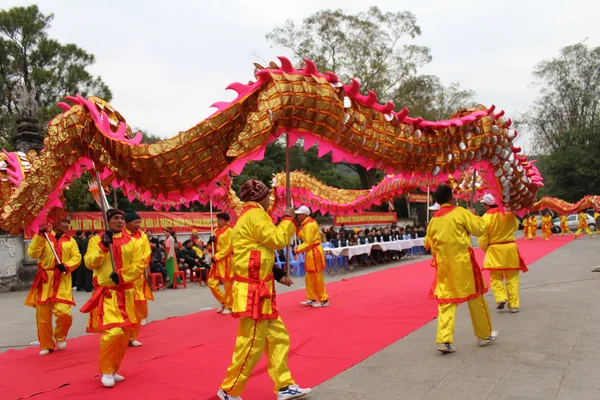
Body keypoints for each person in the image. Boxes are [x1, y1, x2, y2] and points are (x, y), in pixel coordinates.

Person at [217, 179, 311, 400]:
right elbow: (277, 240)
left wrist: (277, 274)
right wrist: (288, 218)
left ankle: (284, 385)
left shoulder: (252, 215)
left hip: (262, 288)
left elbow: (260, 250)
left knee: (278, 337)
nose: (270, 198)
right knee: (251, 343)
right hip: (253, 291)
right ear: (258, 196)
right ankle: (229, 389)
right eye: (267, 194)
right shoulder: (255, 215)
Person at [425, 185, 498, 354]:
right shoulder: (461, 213)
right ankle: (484, 335)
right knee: (475, 299)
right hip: (463, 263)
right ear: (451, 198)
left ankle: (444, 339)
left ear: (436, 200)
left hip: (443, 265)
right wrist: (473, 215)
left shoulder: (433, 221)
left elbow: (429, 244)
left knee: (446, 301)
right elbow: (480, 229)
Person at [80, 209, 145, 388]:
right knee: (113, 332)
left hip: (127, 294)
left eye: (122, 218)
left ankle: (114, 369)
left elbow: (139, 265)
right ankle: (106, 370)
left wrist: (123, 276)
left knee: (124, 337)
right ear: (106, 221)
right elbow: (89, 263)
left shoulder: (133, 242)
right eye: (116, 218)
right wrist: (102, 246)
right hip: (108, 294)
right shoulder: (96, 241)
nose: (120, 221)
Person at [25, 217, 82, 355]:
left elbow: (77, 257)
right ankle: (46, 345)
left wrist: (66, 265)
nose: (67, 225)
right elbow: (33, 253)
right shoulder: (43, 236)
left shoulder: (71, 241)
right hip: (45, 280)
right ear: (55, 223)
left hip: (62, 279)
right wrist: (39, 236)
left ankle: (60, 336)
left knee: (64, 313)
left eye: (68, 222)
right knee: (43, 317)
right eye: (64, 222)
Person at [478, 194, 528, 313]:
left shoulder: (485, 217)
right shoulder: (509, 213)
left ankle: (500, 297)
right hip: (510, 248)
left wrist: (487, 250)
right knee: (512, 278)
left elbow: (482, 238)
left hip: (494, 249)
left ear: (487, 205)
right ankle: (514, 305)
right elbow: (516, 227)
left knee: (495, 277)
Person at [124, 209, 153, 347]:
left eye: (139, 222)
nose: (138, 225)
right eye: (135, 222)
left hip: (139, 276)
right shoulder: (121, 235)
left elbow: (147, 253)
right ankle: (124, 336)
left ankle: (133, 337)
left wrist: (138, 267)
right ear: (127, 223)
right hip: (125, 277)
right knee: (126, 307)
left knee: (138, 306)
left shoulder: (142, 235)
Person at [295, 205, 329, 308]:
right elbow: (305, 235)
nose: (297, 216)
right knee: (309, 276)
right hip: (311, 252)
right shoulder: (307, 223)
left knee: (317, 276)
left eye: (299, 214)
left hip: (314, 252)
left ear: (304, 215)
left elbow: (308, 242)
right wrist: (297, 231)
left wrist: (297, 249)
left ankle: (324, 300)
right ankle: (311, 298)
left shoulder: (309, 225)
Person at [208, 213, 234, 315]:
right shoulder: (214, 231)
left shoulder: (230, 231)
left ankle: (229, 305)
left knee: (227, 285)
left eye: (221, 220)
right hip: (216, 261)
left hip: (226, 260)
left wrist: (217, 256)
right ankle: (223, 301)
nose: (219, 221)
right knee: (211, 282)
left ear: (226, 221)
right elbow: (212, 247)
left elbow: (229, 247)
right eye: (218, 219)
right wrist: (210, 243)